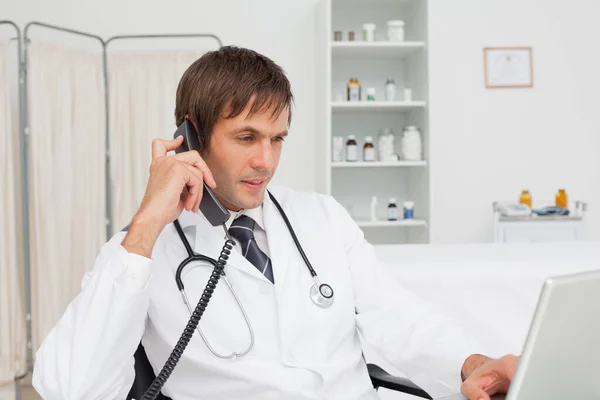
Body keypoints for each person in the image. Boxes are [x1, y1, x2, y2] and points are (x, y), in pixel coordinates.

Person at [32, 46, 518, 400]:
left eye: (277, 138)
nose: (266, 160)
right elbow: (72, 388)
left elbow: (397, 317)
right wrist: (146, 224)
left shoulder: (322, 216)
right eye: (246, 137)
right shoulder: (141, 249)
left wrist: (474, 364)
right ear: (191, 135)